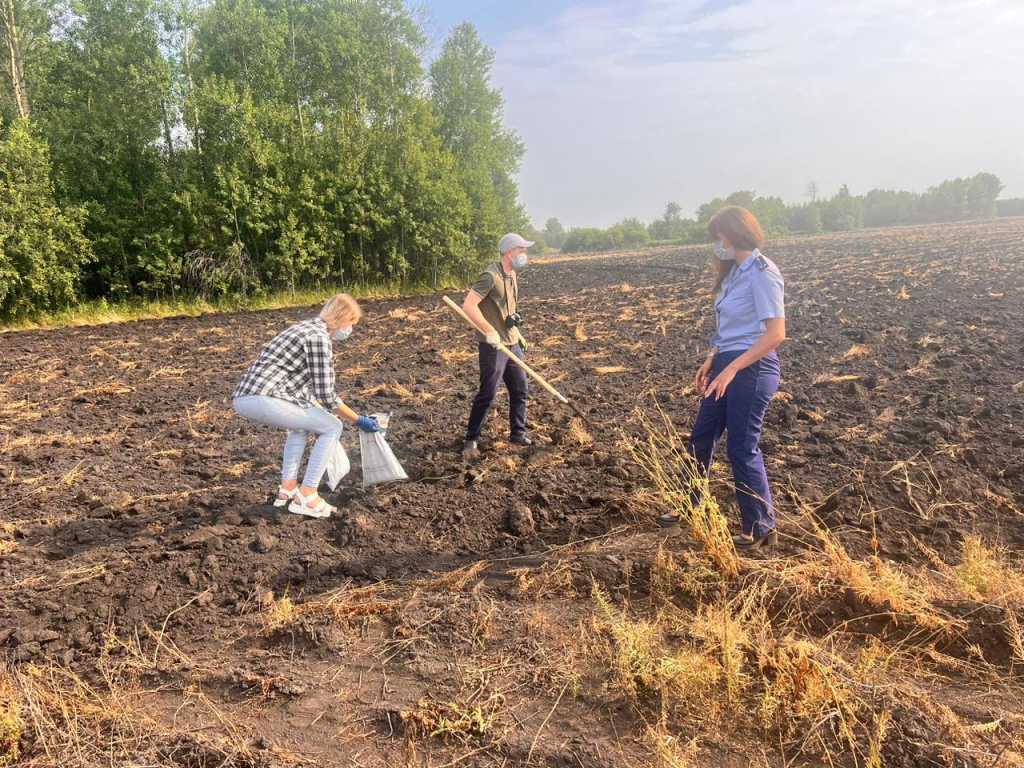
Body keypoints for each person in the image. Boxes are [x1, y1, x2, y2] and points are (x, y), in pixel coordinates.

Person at [659, 206, 786, 548]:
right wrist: (713, 359)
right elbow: (729, 329)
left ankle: (759, 527)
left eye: (719, 237)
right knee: (701, 436)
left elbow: (775, 334)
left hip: (753, 368)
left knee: (742, 446)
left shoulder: (763, 272)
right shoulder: (732, 274)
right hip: (726, 363)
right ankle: (690, 506)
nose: (717, 244)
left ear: (732, 235)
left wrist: (731, 368)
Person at [233, 293, 382, 518]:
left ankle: (287, 491)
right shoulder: (318, 338)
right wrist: (357, 420)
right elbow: (326, 395)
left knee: (301, 426)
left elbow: (306, 391)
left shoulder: (304, 328)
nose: (350, 330)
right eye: (352, 323)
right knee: (332, 426)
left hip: (248, 396)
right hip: (264, 396)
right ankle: (308, 496)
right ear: (342, 318)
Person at [461, 233, 534, 460]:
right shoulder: (490, 276)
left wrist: (517, 330)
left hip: (512, 342)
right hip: (493, 346)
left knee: (520, 389)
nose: (525, 254)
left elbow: (506, 310)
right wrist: (488, 330)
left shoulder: (512, 275)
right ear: (510, 251)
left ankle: (518, 434)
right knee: (488, 393)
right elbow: (468, 306)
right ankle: (471, 439)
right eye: (522, 250)